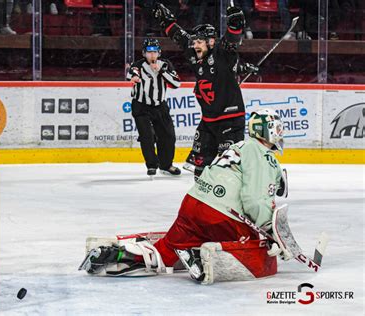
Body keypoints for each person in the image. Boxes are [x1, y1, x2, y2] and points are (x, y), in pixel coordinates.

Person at [80, 109, 290, 283]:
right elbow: (254, 200)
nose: (280, 133)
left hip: (193, 205)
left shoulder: (237, 145)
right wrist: (270, 233)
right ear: (268, 131)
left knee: (166, 251)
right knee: (262, 257)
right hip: (222, 216)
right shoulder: (265, 157)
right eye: (278, 129)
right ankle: (202, 255)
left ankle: (120, 253)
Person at [151, 4, 258, 177]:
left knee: (229, 167)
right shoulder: (195, 54)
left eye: (199, 41)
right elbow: (180, 37)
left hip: (230, 120)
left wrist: (236, 23)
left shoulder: (222, 52)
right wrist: (167, 22)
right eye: (194, 42)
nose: (195, 45)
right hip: (208, 121)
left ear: (211, 41)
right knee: (200, 169)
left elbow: (232, 39)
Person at [126, 38, 182, 177]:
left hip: (160, 106)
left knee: (168, 136)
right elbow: (132, 73)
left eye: (155, 52)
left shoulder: (166, 65)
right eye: (149, 52)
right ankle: (151, 165)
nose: (152, 55)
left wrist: (161, 72)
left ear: (159, 53)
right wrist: (134, 77)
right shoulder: (138, 65)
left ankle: (166, 165)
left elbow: (176, 83)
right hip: (141, 106)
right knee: (147, 136)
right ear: (144, 53)